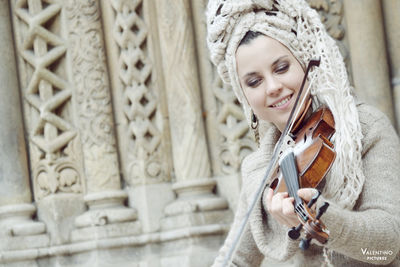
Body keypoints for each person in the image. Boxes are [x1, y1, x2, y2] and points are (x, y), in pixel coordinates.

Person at [206, 0, 400, 266]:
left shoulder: (366, 129)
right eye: (254, 81)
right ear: (244, 96)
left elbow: (388, 246)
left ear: (304, 62)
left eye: (282, 68)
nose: (273, 86)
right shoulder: (260, 171)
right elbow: (236, 259)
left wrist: (322, 218)